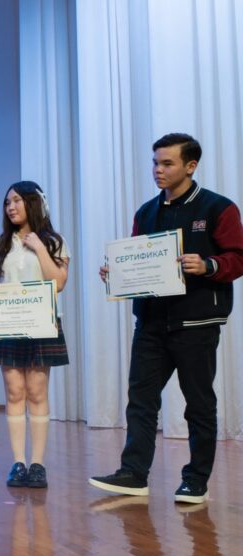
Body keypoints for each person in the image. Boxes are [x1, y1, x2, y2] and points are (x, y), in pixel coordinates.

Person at [90, 133, 243, 504]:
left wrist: (208, 265)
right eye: (155, 162)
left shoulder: (218, 208)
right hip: (151, 323)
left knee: (198, 404)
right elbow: (136, 257)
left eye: (167, 163)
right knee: (140, 400)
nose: (158, 170)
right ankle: (133, 474)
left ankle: (196, 480)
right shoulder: (146, 212)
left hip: (197, 323)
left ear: (190, 166)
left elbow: (238, 258)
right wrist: (117, 272)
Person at [0, 181, 69, 488]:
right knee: (14, 392)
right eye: (7, 202)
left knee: (37, 392)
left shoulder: (54, 242)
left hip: (42, 324)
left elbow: (58, 283)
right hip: (7, 325)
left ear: (33, 203)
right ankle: (18, 463)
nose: (11, 207)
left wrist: (39, 247)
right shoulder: (0, 244)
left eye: (17, 200)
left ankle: (38, 464)